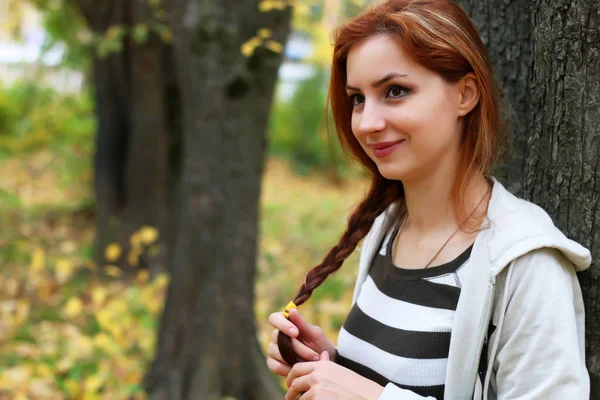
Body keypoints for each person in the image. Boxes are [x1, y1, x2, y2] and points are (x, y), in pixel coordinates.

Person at [266, 0, 591, 398]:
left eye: (395, 91)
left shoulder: (525, 264)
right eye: (358, 98)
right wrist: (333, 368)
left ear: (465, 94)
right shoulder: (389, 228)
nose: (367, 123)